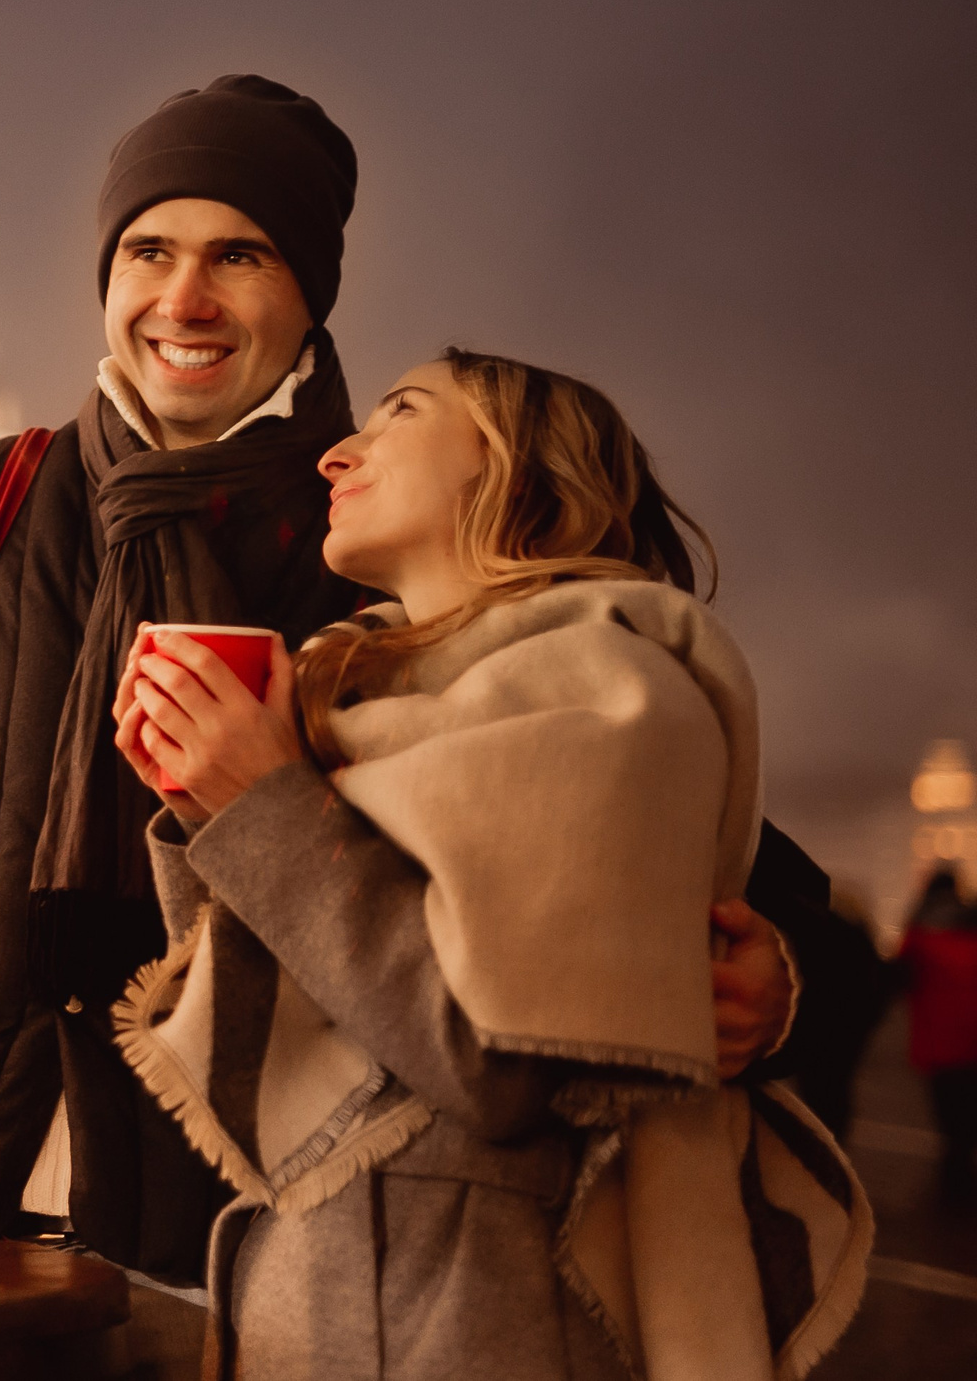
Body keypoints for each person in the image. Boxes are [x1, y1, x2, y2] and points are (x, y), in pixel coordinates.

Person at [0, 76, 836, 1282]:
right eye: (147, 251)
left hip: (257, 1234)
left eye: (237, 255)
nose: (181, 298)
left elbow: (670, 816)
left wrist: (784, 975)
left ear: (307, 296)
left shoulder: (383, 539)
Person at [111, 349, 869, 1378]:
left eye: (400, 415)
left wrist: (260, 808)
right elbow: (288, 1009)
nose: (338, 454)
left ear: (519, 474)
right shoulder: (350, 699)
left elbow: (491, 1064)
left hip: (479, 1312)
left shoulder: (612, 694)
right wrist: (213, 806)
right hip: (328, 1293)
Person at [900, 867, 977, 1203]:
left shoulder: (920, 933)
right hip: (972, 1041)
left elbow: (901, 975)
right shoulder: (972, 926)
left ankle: (955, 1184)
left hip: (938, 1042)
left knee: (950, 1120)